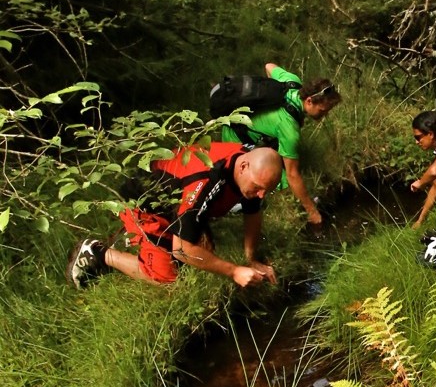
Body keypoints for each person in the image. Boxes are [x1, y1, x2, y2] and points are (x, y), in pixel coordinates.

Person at [65, 143, 282, 289]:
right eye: (258, 187)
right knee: (167, 279)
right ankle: (98, 253)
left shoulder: (245, 163)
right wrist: (234, 271)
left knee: (205, 253)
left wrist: (251, 259)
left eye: (266, 190)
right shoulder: (206, 180)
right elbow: (182, 250)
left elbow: (253, 211)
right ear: (244, 166)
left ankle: (146, 240)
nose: (261, 195)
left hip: (176, 201)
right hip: (143, 205)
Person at [221, 63, 342, 225]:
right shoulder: (289, 130)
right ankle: (237, 205)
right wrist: (312, 212)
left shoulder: (291, 81)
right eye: (322, 111)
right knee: (281, 180)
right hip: (235, 140)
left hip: (235, 122)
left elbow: (269, 66)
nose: (324, 115)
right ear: (309, 101)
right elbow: (293, 175)